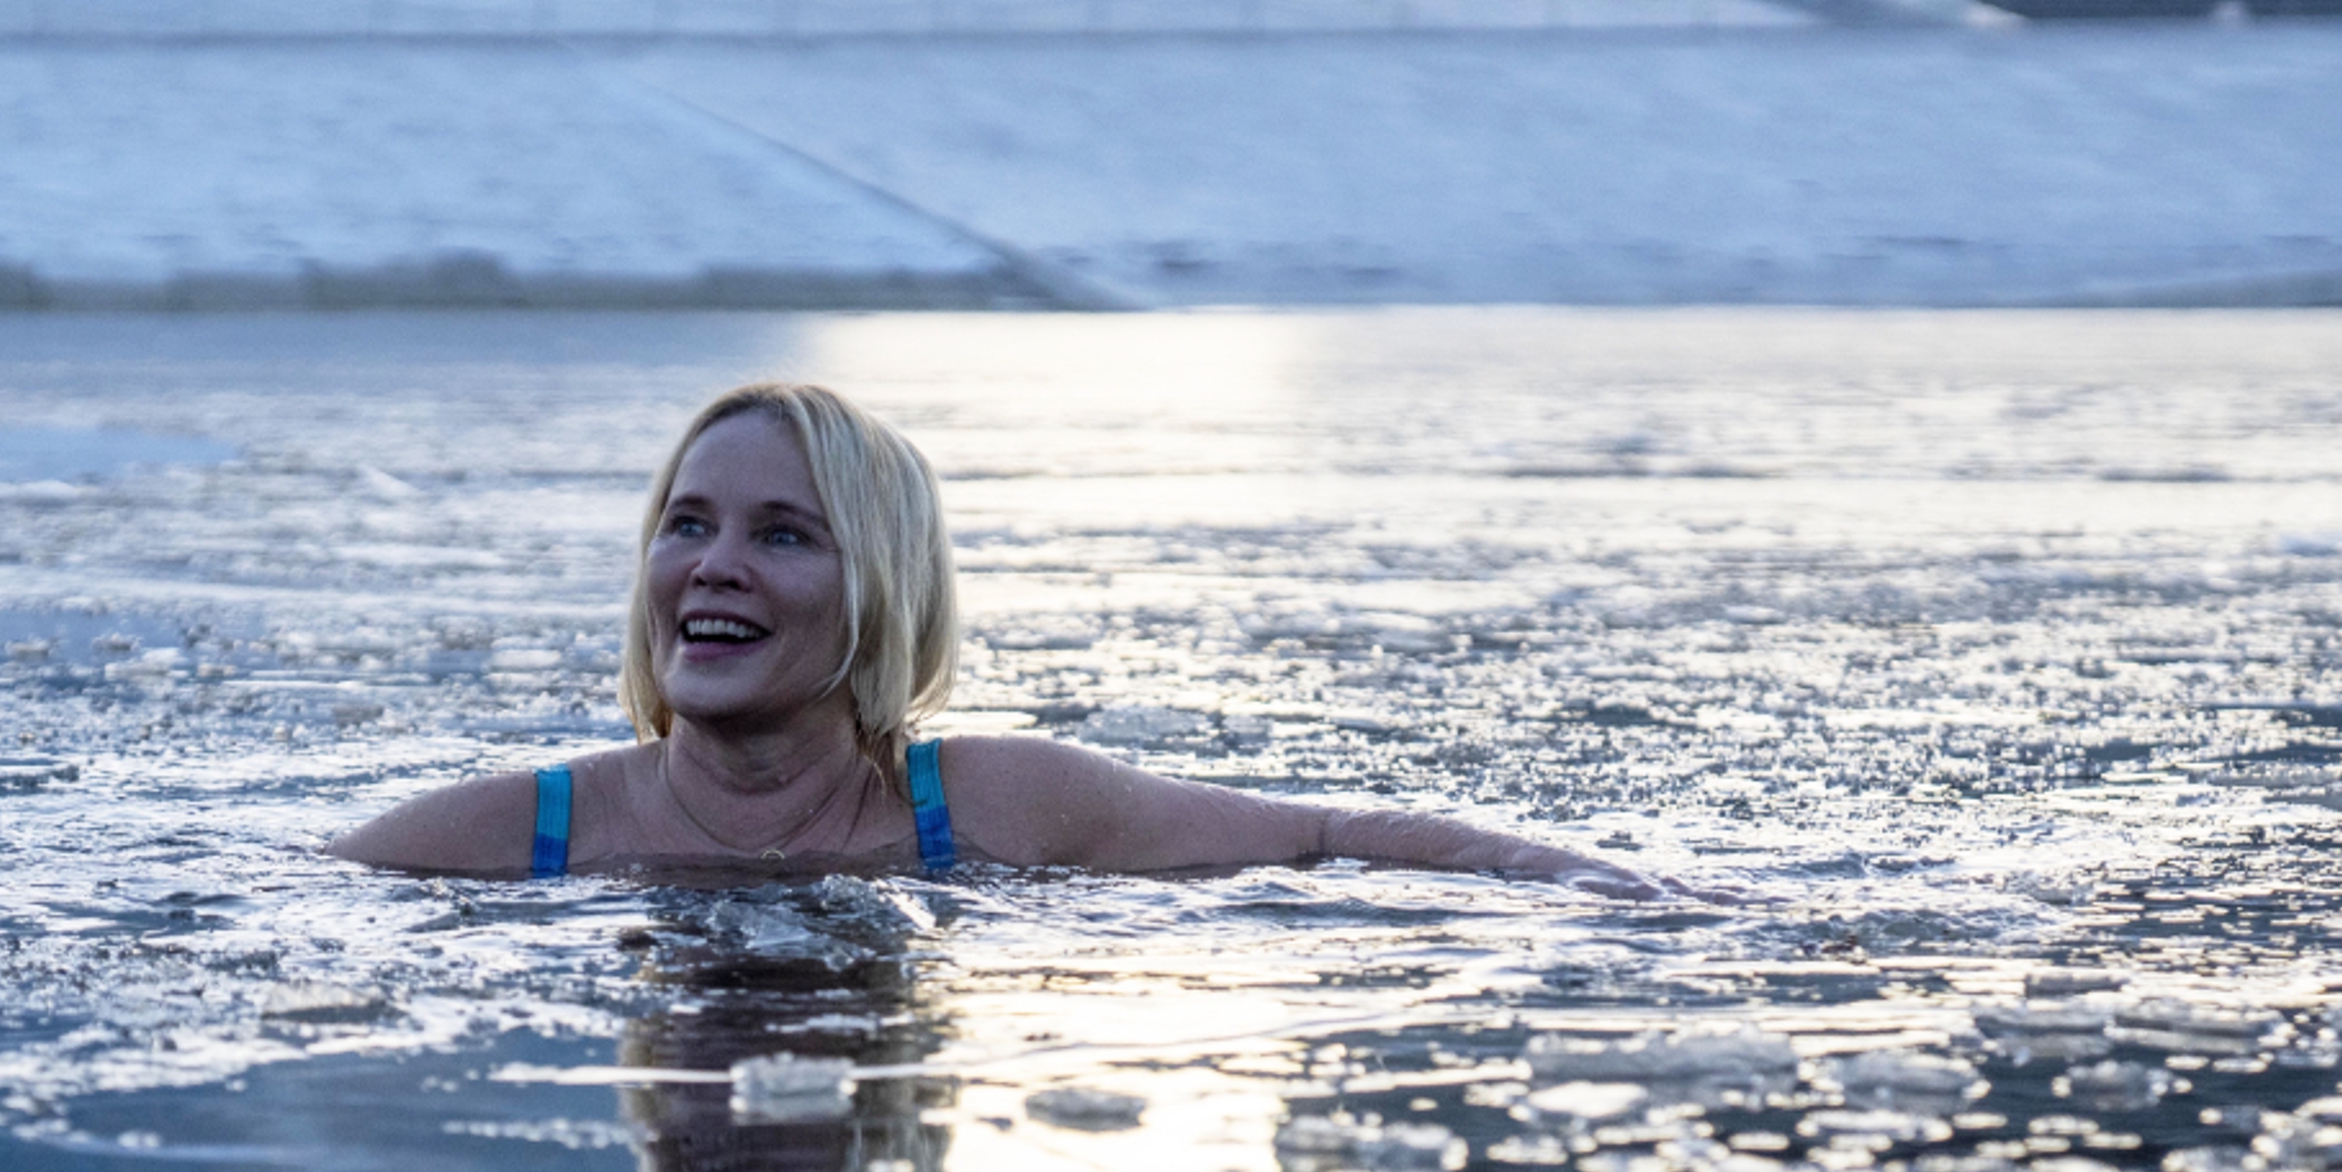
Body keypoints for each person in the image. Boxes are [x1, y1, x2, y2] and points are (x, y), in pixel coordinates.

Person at [331, 381, 1662, 895]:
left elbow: (1320, 837)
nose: (713, 567)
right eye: (688, 525)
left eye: (785, 535)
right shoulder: (524, 835)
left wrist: (1633, 895)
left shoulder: (989, 805)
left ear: (886, 594)